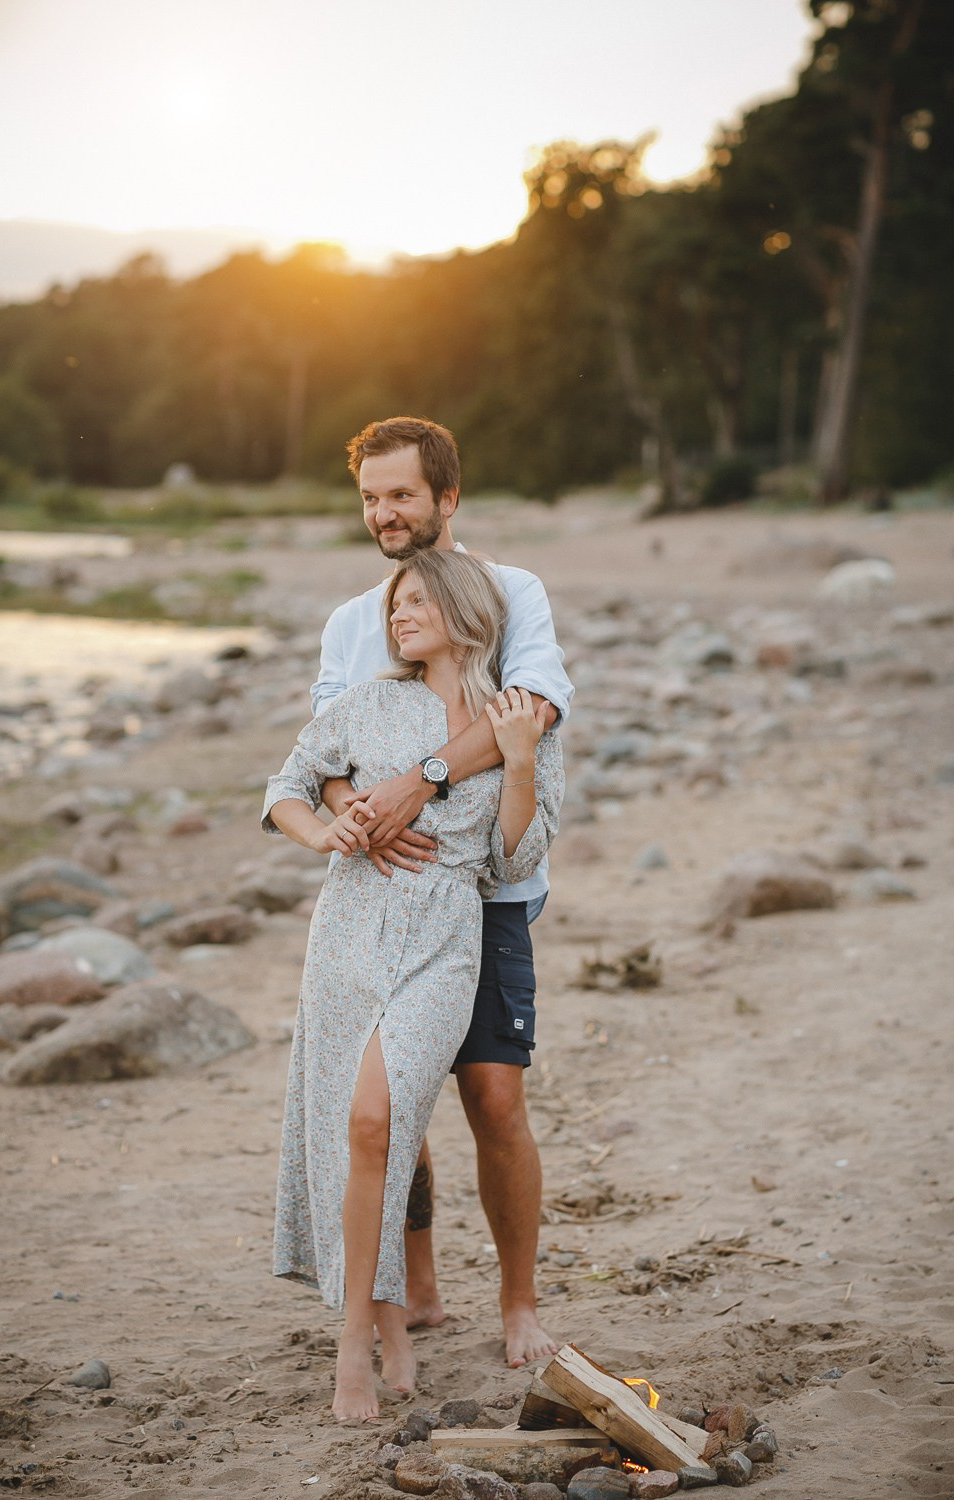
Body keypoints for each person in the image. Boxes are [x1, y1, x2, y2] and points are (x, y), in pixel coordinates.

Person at [262, 549, 564, 1421]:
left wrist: (516, 763)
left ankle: (396, 1321)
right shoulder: (365, 704)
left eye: (419, 601)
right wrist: (324, 833)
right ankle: (365, 1335)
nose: (398, 614)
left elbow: (510, 855)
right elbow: (286, 786)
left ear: (467, 611)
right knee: (363, 1129)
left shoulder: (515, 716)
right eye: (396, 602)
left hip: (445, 939)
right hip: (350, 929)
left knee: (379, 1117)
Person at [311, 416, 574, 1368]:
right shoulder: (353, 621)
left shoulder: (511, 594)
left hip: (490, 892)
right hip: (383, 891)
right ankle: (414, 1292)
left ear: (446, 497)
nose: (385, 513)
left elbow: (533, 710)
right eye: (372, 497)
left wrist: (420, 777)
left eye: (403, 495)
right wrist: (354, 808)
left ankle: (518, 1304)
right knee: (396, 1104)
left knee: (494, 1097)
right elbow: (324, 755)